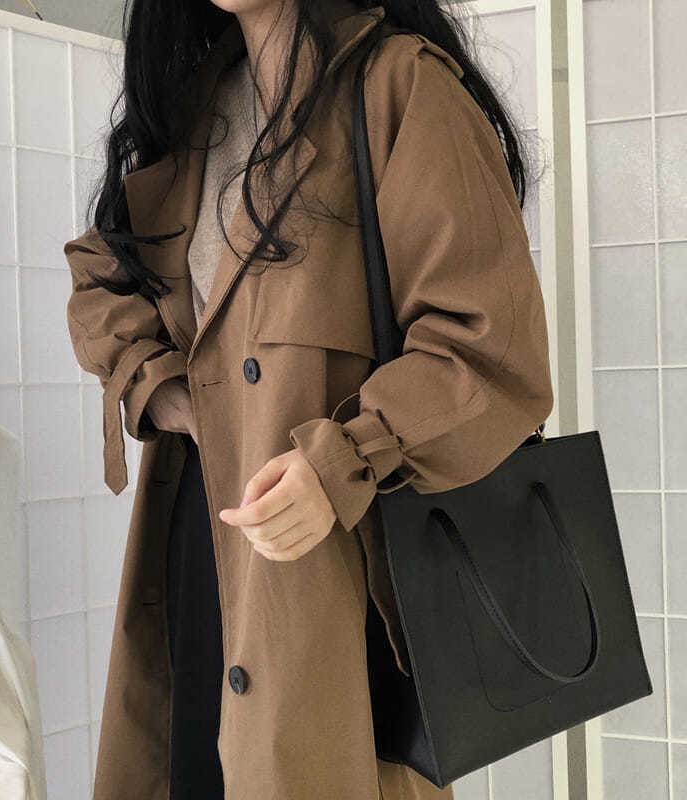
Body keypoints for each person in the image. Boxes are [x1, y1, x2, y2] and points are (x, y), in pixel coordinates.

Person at [63, 2, 555, 799]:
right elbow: (103, 280)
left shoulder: (399, 87)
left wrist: (344, 462)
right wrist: (172, 394)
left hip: (334, 559)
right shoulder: (195, 112)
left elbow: (485, 344)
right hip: (201, 542)